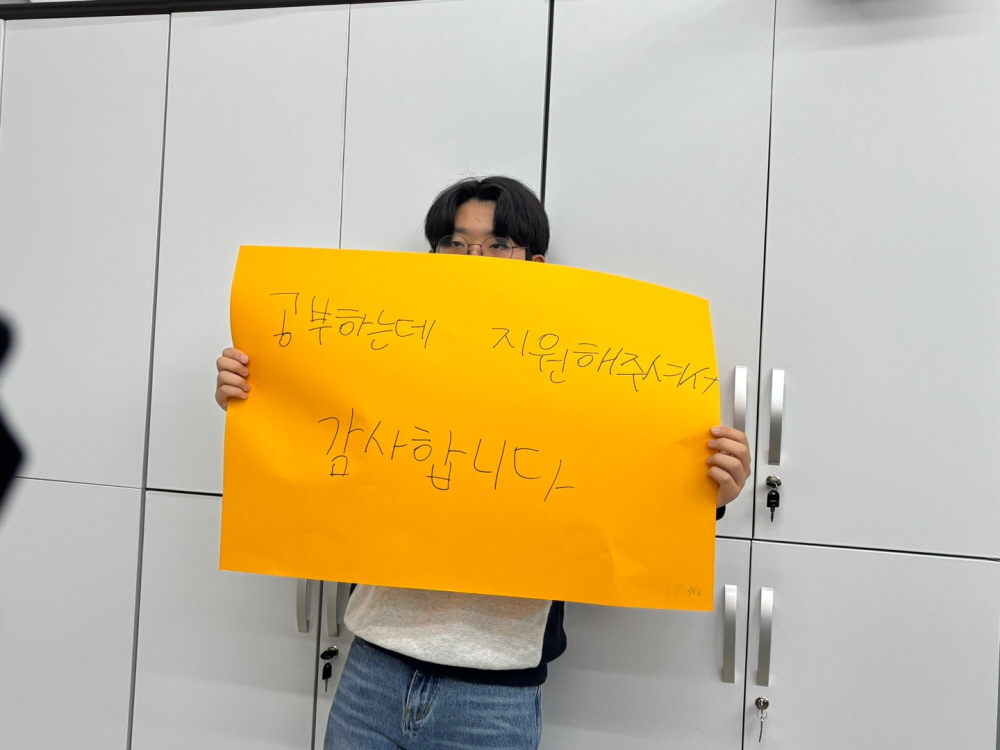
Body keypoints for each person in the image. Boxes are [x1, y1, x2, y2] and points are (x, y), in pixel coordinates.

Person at [215, 176, 751, 750]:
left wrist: (708, 498)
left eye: (497, 245)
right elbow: (322, 440)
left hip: (493, 699)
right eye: (455, 242)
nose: (473, 258)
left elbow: (619, 491)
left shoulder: (578, 373)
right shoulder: (384, 355)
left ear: (535, 265)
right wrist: (257, 401)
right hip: (372, 669)